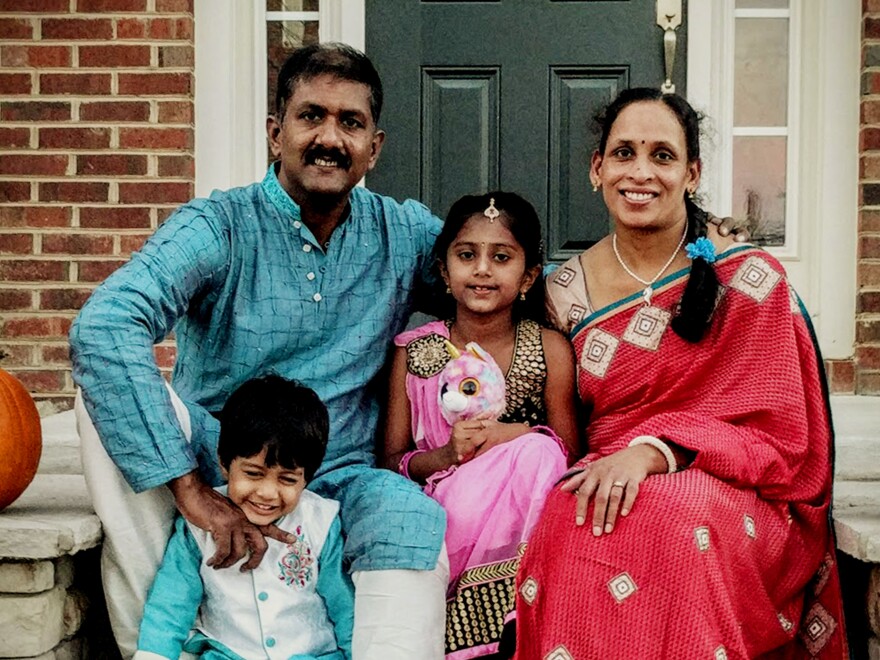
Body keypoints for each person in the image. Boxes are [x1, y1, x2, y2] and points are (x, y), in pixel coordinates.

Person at [69, 43, 449, 660]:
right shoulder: (219, 225)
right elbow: (105, 325)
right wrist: (195, 494)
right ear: (276, 133)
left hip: (339, 474)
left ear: (374, 148)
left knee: (406, 515)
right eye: (311, 117)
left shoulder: (402, 234)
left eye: (350, 123)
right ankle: (169, 644)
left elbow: (497, 276)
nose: (330, 137)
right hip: (219, 458)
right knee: (98, 395)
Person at [514, 88, 848, 658]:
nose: (640, 172)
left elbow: (782, 436)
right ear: (598, 169)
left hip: (737, 485)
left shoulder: (747, 276)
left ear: (691, 174)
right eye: (623, 153)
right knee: (568, 519)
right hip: (609, 470)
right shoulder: (562, 291)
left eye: (662, 156)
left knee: (678, 519)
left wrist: (656, 452)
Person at [384, 192, 580, 659]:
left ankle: (517, 618)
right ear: (444, 271)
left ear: (530, 275)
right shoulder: (415, 352)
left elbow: (570, 449)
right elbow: (391, 459)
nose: (483, 270)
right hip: (443, 506)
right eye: (467, 255)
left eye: (502, 257)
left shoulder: (549, 348)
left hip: (527, 514)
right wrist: (447, 456)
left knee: (540, 454)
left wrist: (508, 436)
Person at [134, 375, 353, 660]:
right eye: (253, 474)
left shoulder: (320, 522)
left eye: (287, 480)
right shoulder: (200, 525)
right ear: (224, 463)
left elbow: (345, 607)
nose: (267, 493)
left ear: (306, 478)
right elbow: (171, 605)